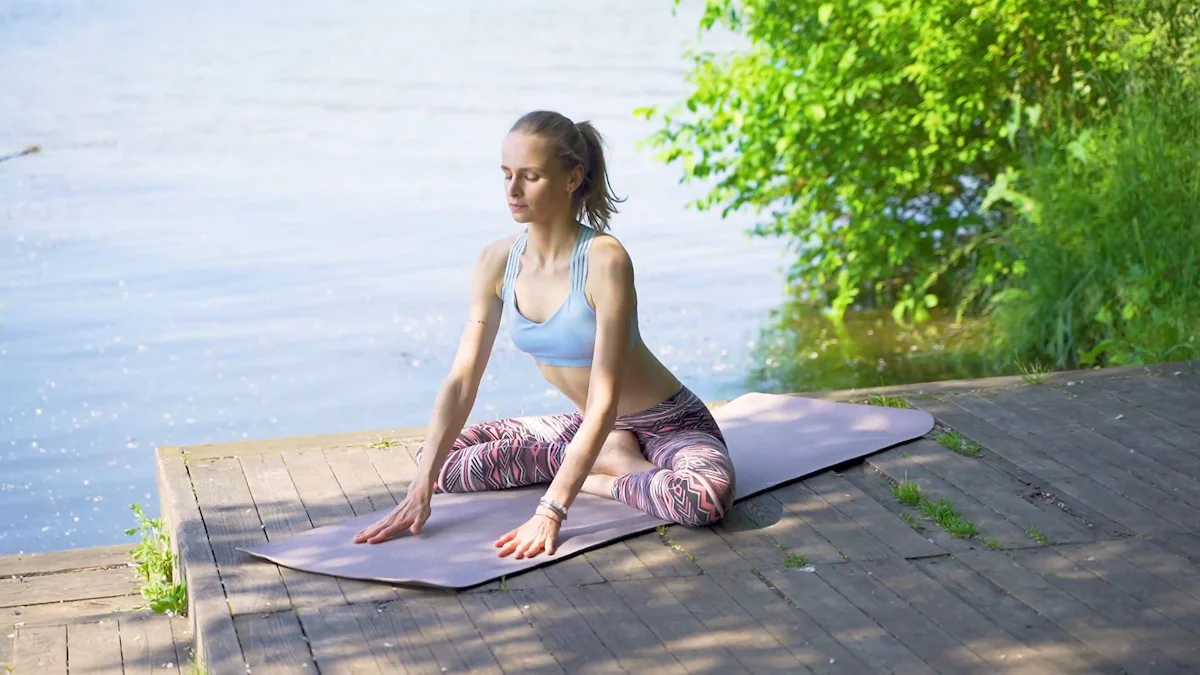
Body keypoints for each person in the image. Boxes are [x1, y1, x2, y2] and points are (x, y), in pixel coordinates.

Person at [352, 110, 735, 559]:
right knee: (438, 462)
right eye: (506, 174)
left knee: (703, 499)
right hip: (585, 424)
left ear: (572, 178)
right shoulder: (497, 261)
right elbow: (462, 380)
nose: (513, 190)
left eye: (530, 176)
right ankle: (597, 457)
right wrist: (419, 491)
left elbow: (605, 400)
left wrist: (551, 508)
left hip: (667, 423)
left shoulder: (604, 260)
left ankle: (611, 467)